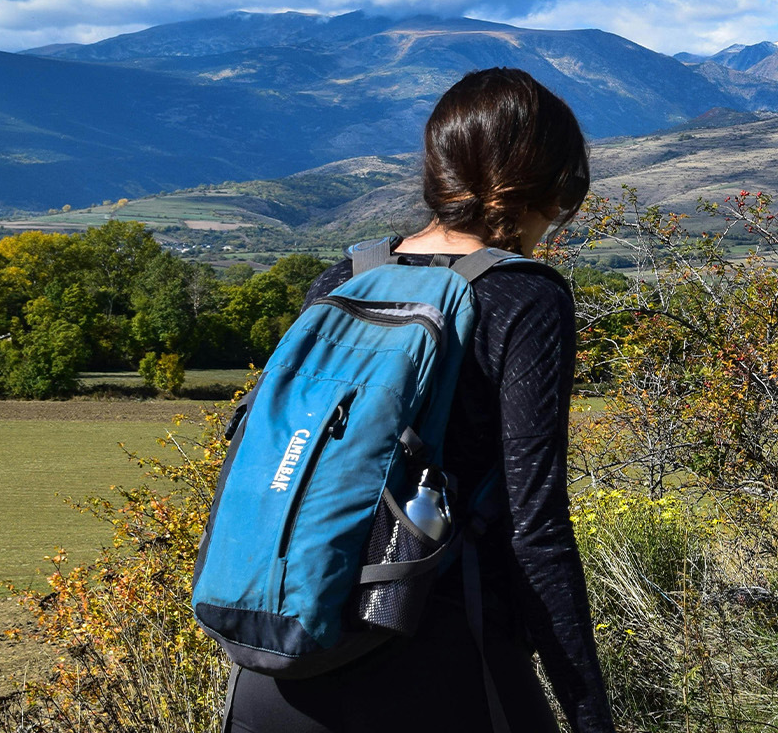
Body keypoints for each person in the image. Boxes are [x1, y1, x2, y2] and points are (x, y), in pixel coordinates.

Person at [228, 67, 614, 733]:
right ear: (551, 184)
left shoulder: (348, 276)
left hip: (274, 667)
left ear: (437, 172)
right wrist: (589, 714)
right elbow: (537, 531)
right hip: (437, 665)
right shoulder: (524, 298)